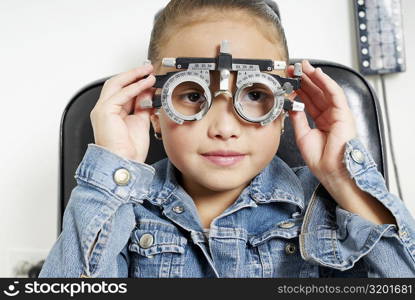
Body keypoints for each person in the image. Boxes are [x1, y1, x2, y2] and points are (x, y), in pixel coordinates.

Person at [39, 0, 415, 278]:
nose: (224, 128)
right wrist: (112, 170)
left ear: (284, 109)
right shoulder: (125, 208)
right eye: (191, 95)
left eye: (254, 95)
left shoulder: (324, 206)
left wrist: (342, 177)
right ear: (153, 108)